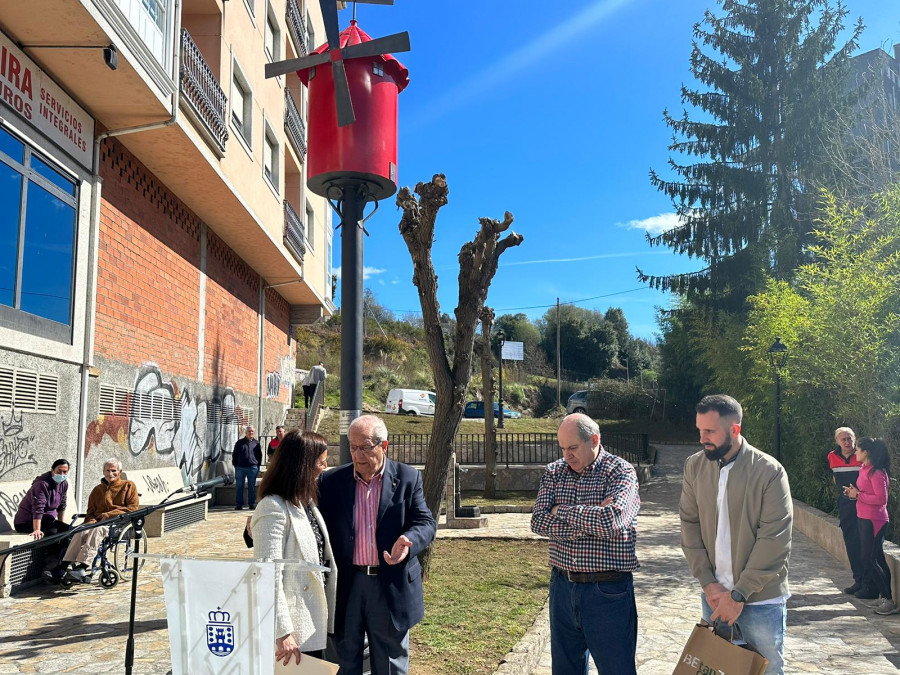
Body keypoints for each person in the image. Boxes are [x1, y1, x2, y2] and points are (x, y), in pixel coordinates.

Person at [681, 395, 792, 675]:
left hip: (760, 600)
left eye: (710, 431)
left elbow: (775, 539)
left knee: (767, 672)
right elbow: (689, 525)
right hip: (715, 597)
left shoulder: (769, 472)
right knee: (717, 669)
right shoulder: (694, 467)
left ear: (734, 430)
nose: (702, 439)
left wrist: (739, 595)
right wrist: (708, 584)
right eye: (699, 430)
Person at [318, 415, 436, 675]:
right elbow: (302, 513)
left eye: (364, 447)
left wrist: (410, 541)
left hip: (389, 583)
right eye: (352, 447)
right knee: (343, 663)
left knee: (389, 664)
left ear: (383, 446)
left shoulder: (407, 478)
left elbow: (426, 522)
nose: (357, 455)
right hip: (347, 585)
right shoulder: (332, 482)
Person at [530, 413, 641, 675]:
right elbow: (537, 522)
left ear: (594, 440)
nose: (567, 455)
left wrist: (561, 511)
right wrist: (590, 517)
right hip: (562, 586)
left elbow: (610, 521)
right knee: (565, 669)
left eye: (573, 448)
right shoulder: (554, 472)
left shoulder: (620, 472)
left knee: (617, 669)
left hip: (607, 591)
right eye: (562, 448)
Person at [251, 430, 337, 665]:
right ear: (303, 465)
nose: (325, 467)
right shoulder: (273, 508)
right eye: (321, 462)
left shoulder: (305, 502)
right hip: (292, 631)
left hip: (311, 621)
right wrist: (282, 631)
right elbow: (267, 575)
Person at [62, 458, 139, 582]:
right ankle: (64, 566)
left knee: (97, 530)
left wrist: (109, 515)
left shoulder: (128, 485)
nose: (110, 473)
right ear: (103, 472)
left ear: (120, 472)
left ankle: (83, 566)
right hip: (97, 523)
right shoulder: (97, 490)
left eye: (114, 470)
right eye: (107, 470)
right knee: (81, 530)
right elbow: (90, 512)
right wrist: (90, 522)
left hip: (118, 524)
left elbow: (133, 508)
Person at [843, 437, 896, 615]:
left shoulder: (877, 472)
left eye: (857, 449)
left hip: (874, 519)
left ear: (866, 453)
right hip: (864, 517)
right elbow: (866, 493)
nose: (855, 452)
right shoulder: (865, 469)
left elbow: (882, 500)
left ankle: (888, 600)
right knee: (877, 558)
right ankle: (884, 597)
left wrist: (858, 495)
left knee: (868, 559)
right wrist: (854, 493)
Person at [13, 459, 71, 582]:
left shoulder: (64, 484)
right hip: (26, 522)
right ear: (52, 470)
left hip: (46, 519)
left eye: (65, 472)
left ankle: (57, 565)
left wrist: (61, 523)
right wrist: (37, 529)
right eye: (59, 471)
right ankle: (50, 563)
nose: (62, 475)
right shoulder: (42, 484)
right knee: (53, 534)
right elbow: (38, 507)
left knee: (69, 531)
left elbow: (62, 505)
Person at [828, 426, 867, 596]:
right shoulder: (831, 456)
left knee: (864, 542)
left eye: (850, 438)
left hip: (863, 504)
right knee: (851, 542)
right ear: (837, 441)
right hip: (845, 504)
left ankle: (868, 582)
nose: (847, 442)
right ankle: (858, 580)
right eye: (843, 439)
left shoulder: (862, 456)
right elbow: (834, 477)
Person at [232, 425, 262, 510]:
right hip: (240, 468)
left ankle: (251, 504)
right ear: (246, 432)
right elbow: (235, 454)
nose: (250, 433)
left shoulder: (256, 443)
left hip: (252, 468)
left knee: (251, 486)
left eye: (252, 431)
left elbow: (259, 455)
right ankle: (239, 504)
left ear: (254, 433)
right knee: (239, 486)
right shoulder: (240, 442)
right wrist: (236, 465)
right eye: (249, 431)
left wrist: (257, 465)